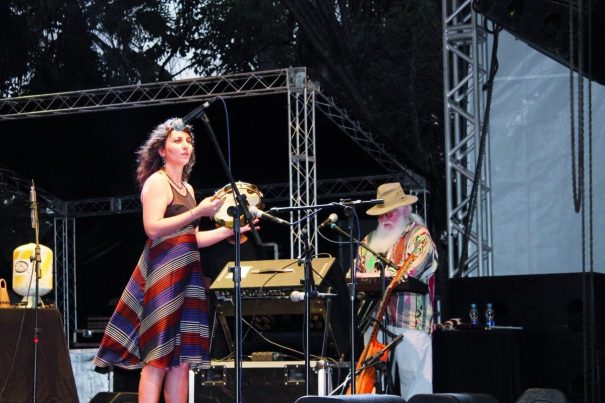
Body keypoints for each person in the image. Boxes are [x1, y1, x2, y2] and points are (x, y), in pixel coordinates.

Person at [93, 118, 256, 403]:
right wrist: (197, 213)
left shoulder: (189, 189)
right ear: (161, 150)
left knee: (181, 361)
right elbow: (153, 227)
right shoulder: (157, 182)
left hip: (188, 276)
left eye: (188, 142)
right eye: (177, 141)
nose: (185, 146)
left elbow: (191, 238)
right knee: (157, 358)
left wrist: (229, 230)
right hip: (164, 275)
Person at [356, 182, 437, 400]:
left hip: (410, 321)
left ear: (403, 210)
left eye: (389, 213)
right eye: (381, 215)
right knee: (375, 385)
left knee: (416, 384)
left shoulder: (419, 236)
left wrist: (383, 275)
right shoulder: (369, 241)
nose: (384, 219)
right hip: (376, 324)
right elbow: (355, 274)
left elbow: (414, 269)